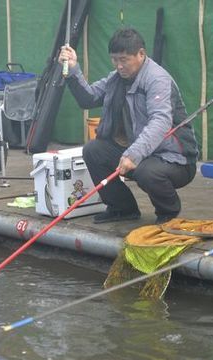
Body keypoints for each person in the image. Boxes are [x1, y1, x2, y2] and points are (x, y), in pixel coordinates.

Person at [59, 27, 198, 225]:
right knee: (93, 150)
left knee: (146, 172)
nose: (119, 66)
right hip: (139, 153)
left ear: (141, 54)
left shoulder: (157, 79)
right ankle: (121, 208)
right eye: (114, 59)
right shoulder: (116, 79)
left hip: (175, 160)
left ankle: (169, 213)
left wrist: (132, 155)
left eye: (124, 59)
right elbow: (88, 99)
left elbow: (160, 122)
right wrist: (72, 69)